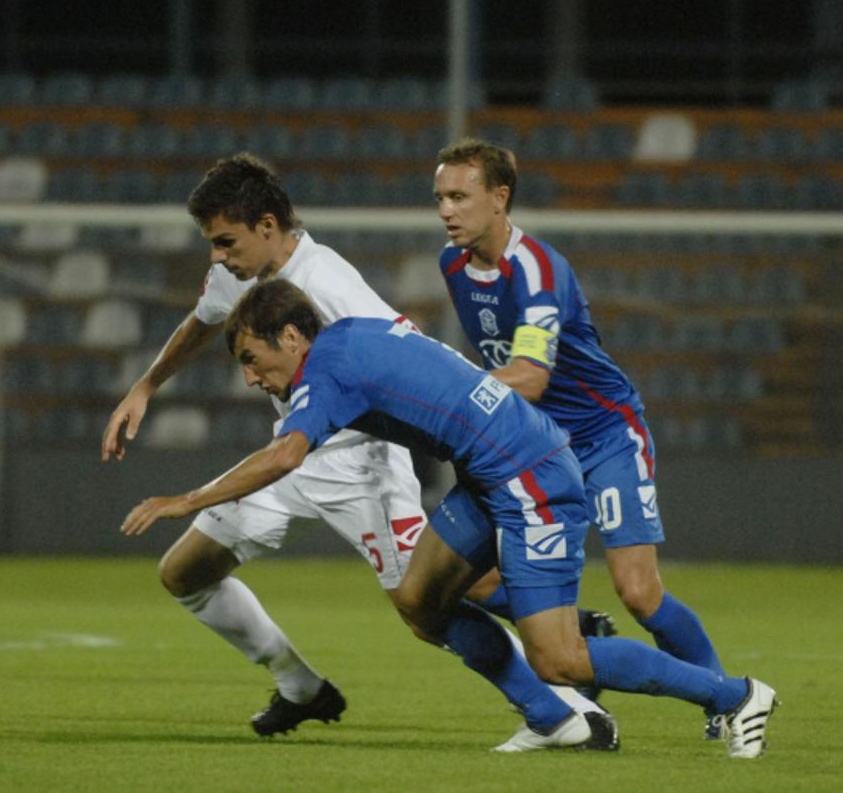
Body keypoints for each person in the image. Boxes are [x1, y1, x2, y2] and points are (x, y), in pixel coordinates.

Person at [123, 278, 777, 759]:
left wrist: (187, 500)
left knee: (562, 657)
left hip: (530, 477)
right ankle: (546, 715)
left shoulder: (328, 370)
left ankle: (735, 694)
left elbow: (286, 453)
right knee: (419, 599)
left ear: (290, 337)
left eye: (250, 359)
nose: (251, 377)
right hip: (490, 473)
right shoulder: (350, 336)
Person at [103, 153, 616, 752]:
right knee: (184, 573)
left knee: (426, 604)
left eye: (225, 241)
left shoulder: (329, 284)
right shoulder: (238, 270)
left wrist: (463, 435)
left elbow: (413, 363)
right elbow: (203, 319)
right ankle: (300, 687)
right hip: (291, 452)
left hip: (363, 462)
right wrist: (146, 385)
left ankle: (569, 699)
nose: (217, 255)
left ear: (267, 225)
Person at [433, 138, 736, 737]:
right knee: (475, 580)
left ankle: (725, 698)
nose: (446, 210)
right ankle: (571, 689)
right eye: (440, 197)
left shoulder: (540, 268)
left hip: (603, 437)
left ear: (500, 197)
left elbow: (532, 375)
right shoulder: (452, 264)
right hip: (538, 447)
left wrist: (443, 395)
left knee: (639, 591)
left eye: (459, 197)